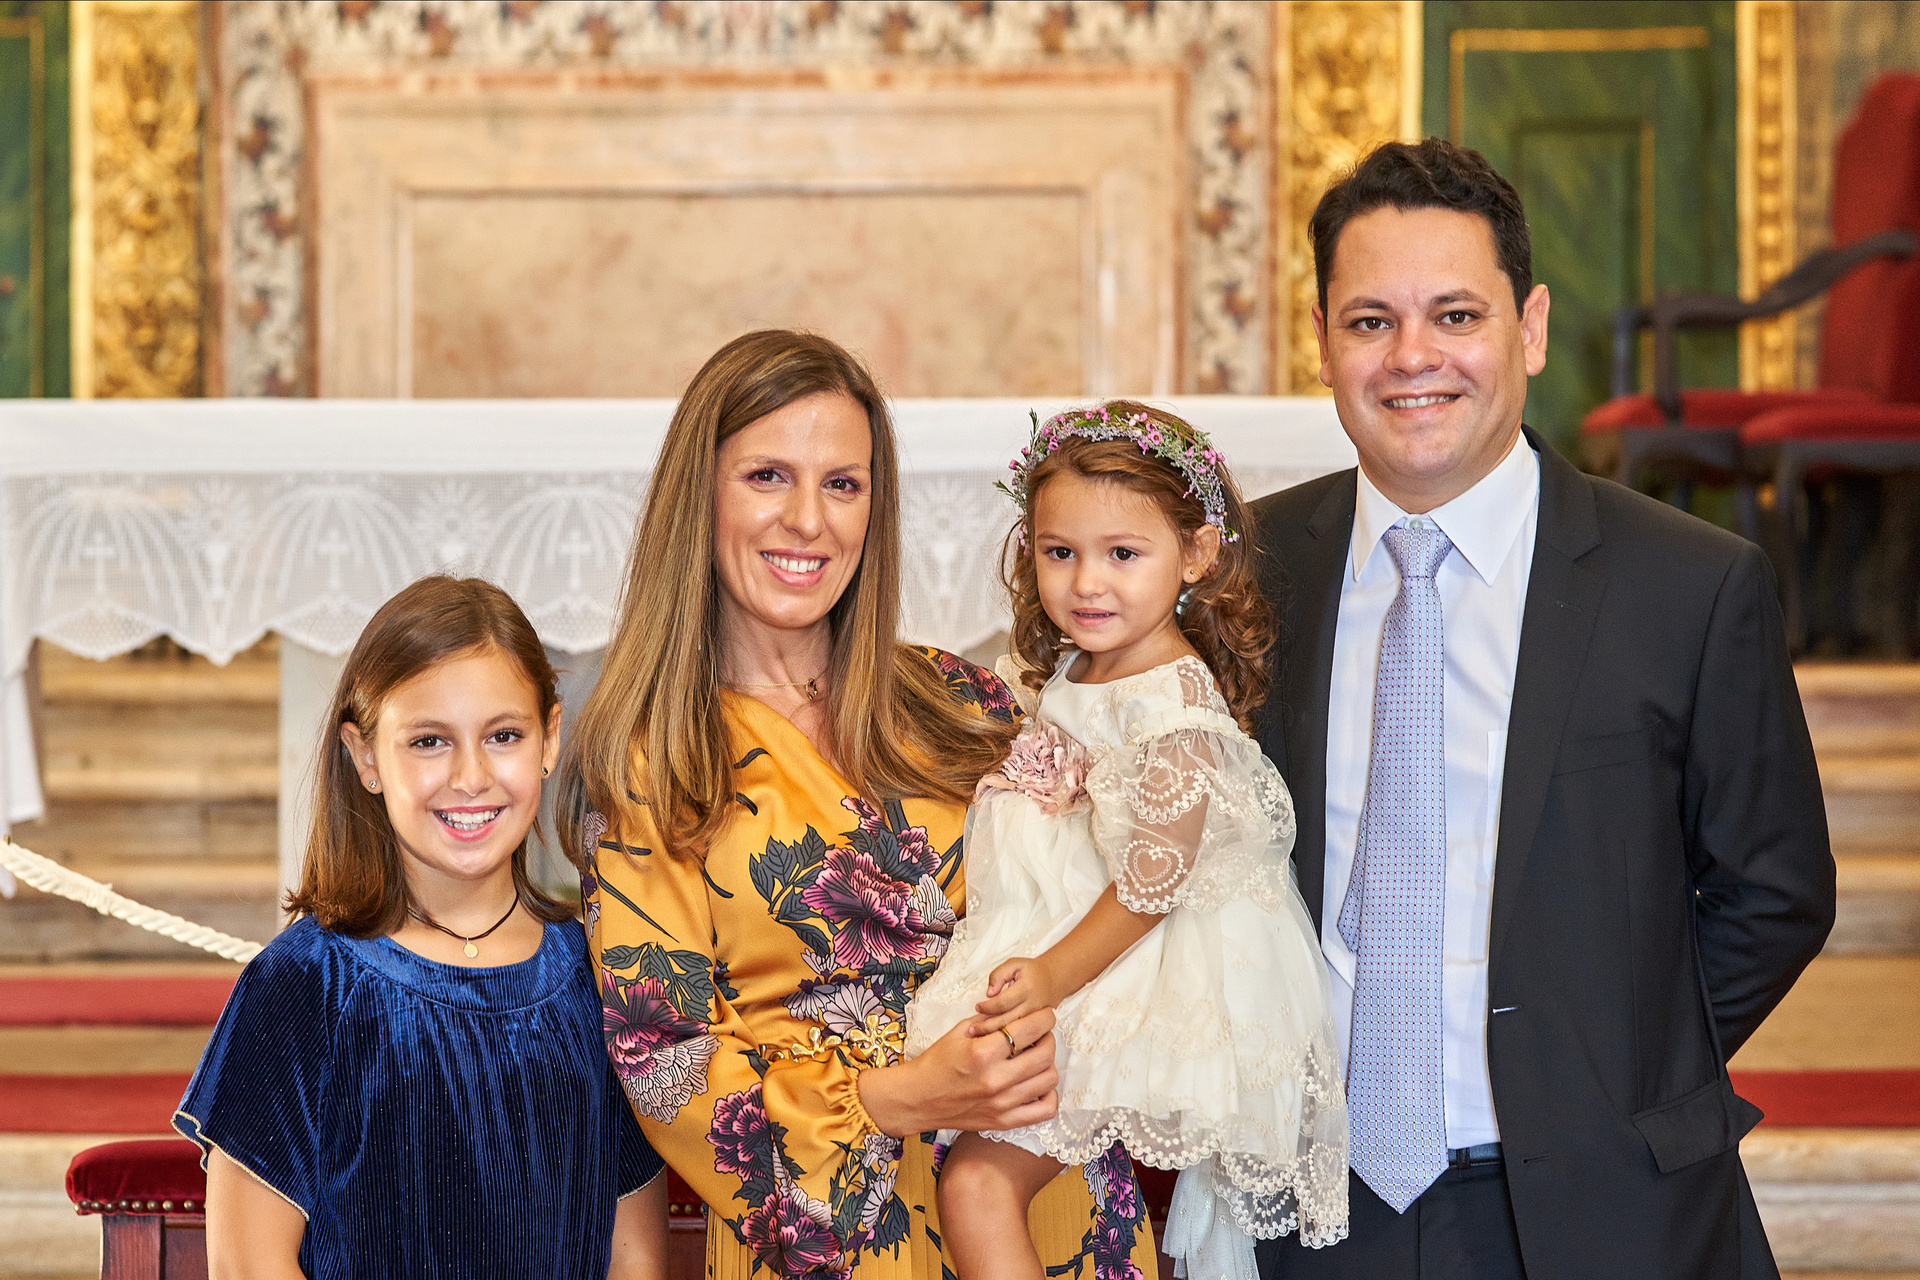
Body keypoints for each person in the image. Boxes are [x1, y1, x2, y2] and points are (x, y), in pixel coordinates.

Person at [1248, 138, 1835, 1280]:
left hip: (1604, 1206)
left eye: (1456, 315)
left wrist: (1611, 1070)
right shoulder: (1245, 573)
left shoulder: (1690, 584)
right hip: (1307, 1209)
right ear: (1322, 340)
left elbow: (1775, 890)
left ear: (1531, 327)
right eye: (1370, 321)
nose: (1412, 357)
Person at [559, 330, 1160, 1279]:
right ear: (699, 494)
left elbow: (1116, 899)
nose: (809, 520)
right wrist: (906, 1096)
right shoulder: (654, 766)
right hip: (831, 1232)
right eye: (767, 476)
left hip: (1043, 1191)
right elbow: (663, 1062)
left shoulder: (966, 702)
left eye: (843, 484)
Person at [904, 402, 1349, 1280]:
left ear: (1197, 553)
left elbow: (1151, 889)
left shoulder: (1175, 712)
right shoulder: (1079, 665)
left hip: (1128, 976)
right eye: (1059, 552)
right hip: (1068, 948)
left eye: (1122, 554)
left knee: (978, 1186)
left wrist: (1049, 979)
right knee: (968, 1170)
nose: (1086, 584)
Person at [176, 576, 668, 1280]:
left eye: (503, 736)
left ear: (550, 738)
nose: (470, 777)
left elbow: (635, 1255)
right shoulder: (304, 985)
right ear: (366, 756)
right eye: (430, 741)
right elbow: (249, 1265)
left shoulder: (602, 974)